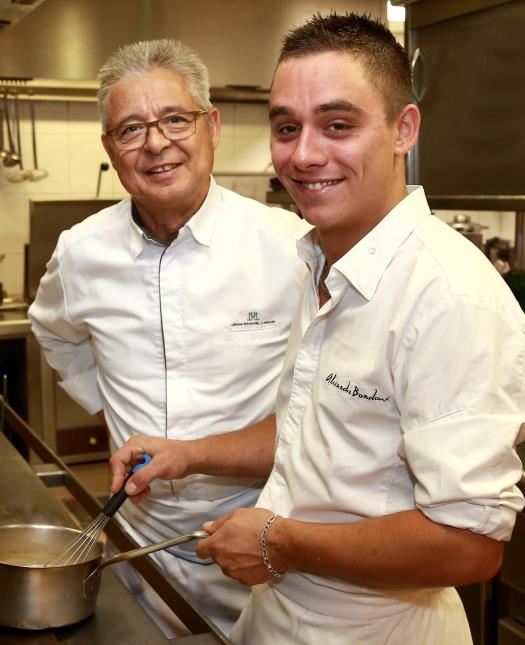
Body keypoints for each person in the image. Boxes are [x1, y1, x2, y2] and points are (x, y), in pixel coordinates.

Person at [109, 13, 525, 645]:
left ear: (402, 129)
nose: (303, 155)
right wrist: (189, 454)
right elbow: (317, 430)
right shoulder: (319, 262)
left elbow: (469, 544)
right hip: (278, 616)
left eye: (338, 125)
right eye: (286, 128)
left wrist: (281, 541)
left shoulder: (449, 296)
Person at [27, 38, 307, 636]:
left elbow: (319, 399)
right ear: (109, 147)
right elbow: (51, 330)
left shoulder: (291, 249)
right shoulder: (82, 252)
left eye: (175, 119)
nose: (156, 144)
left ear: (212, 126)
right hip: (138, 547)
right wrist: (110, 406)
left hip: (262, 544)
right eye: (130, 129)